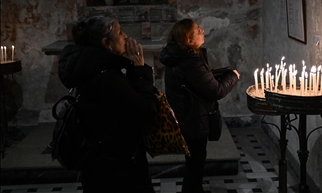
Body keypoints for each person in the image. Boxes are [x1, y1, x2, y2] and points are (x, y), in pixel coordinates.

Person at [58, 13, 158, 193]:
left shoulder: (89, 69)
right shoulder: (107, 78)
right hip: (120, 172)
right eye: (120, 32)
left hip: (99, 168)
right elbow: (146, 112)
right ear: (106, 43)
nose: (125, 36)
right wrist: (141, 72)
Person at [159, 18, 240, 193]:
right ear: (189, 40)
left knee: (194, 162)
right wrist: (233, 76)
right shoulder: (189, 62)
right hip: (192, 119)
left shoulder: (179, 56)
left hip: (187, 116)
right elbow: (216, 90)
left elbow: (203, 78)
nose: (202, 30)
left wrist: (223, 72)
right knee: (195, 163)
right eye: (197, 30)